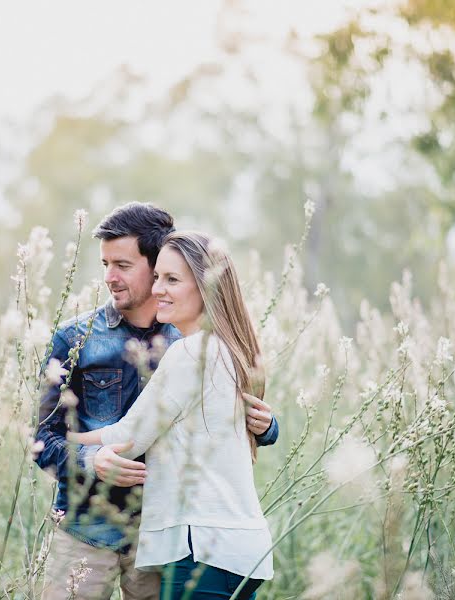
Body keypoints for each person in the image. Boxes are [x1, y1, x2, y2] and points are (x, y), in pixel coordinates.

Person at [34, 203, 279, 600]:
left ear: (157, 262)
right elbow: (42, 438)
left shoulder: (193, 340)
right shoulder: (74, 338)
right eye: (105, 264)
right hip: (85, 531)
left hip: (162, 540)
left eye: (123, 265)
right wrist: (88, 461)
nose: (110, 277)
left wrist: (267, 426)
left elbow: (232, 424)